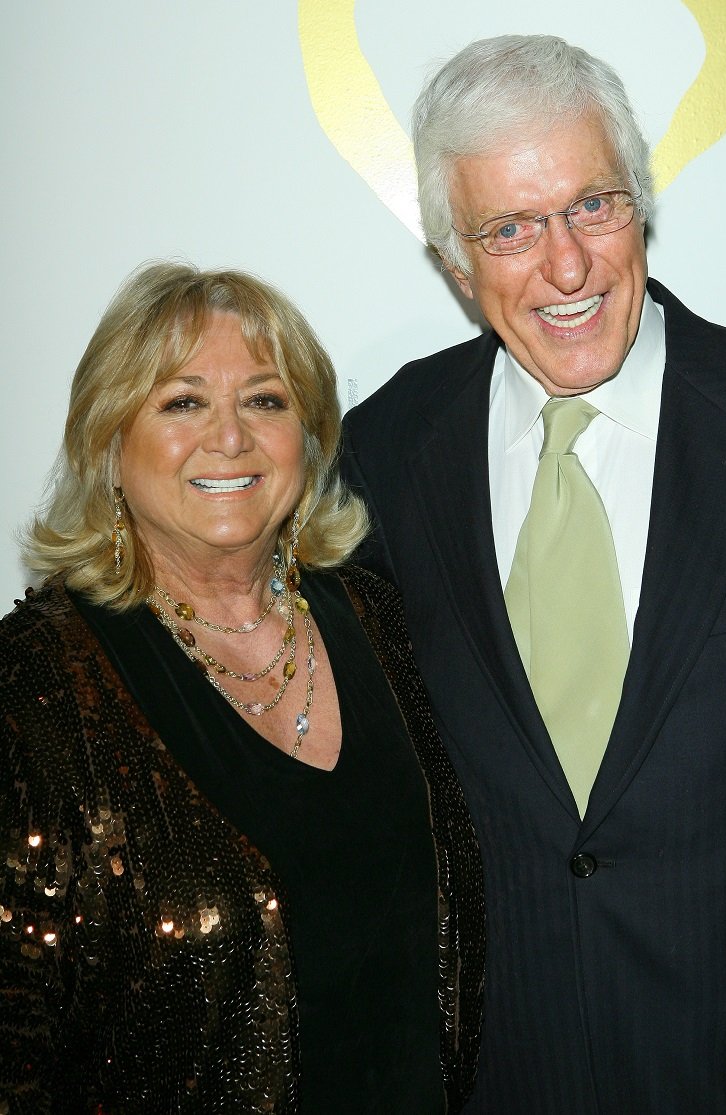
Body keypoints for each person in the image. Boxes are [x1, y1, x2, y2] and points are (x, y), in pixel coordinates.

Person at [341, 34, 726, 1115]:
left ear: (640, 206)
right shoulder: (383, 448)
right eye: (509, 228)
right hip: (500, 1073)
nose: (565, 266)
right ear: (454, 261)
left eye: (592, 206)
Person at [0, 262, 484, 1114]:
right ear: (108, 444)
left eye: (265, 400)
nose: (229, 437)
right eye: (182, 402)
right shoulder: (35, 687)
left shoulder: (379, 619)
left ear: (311, 437)